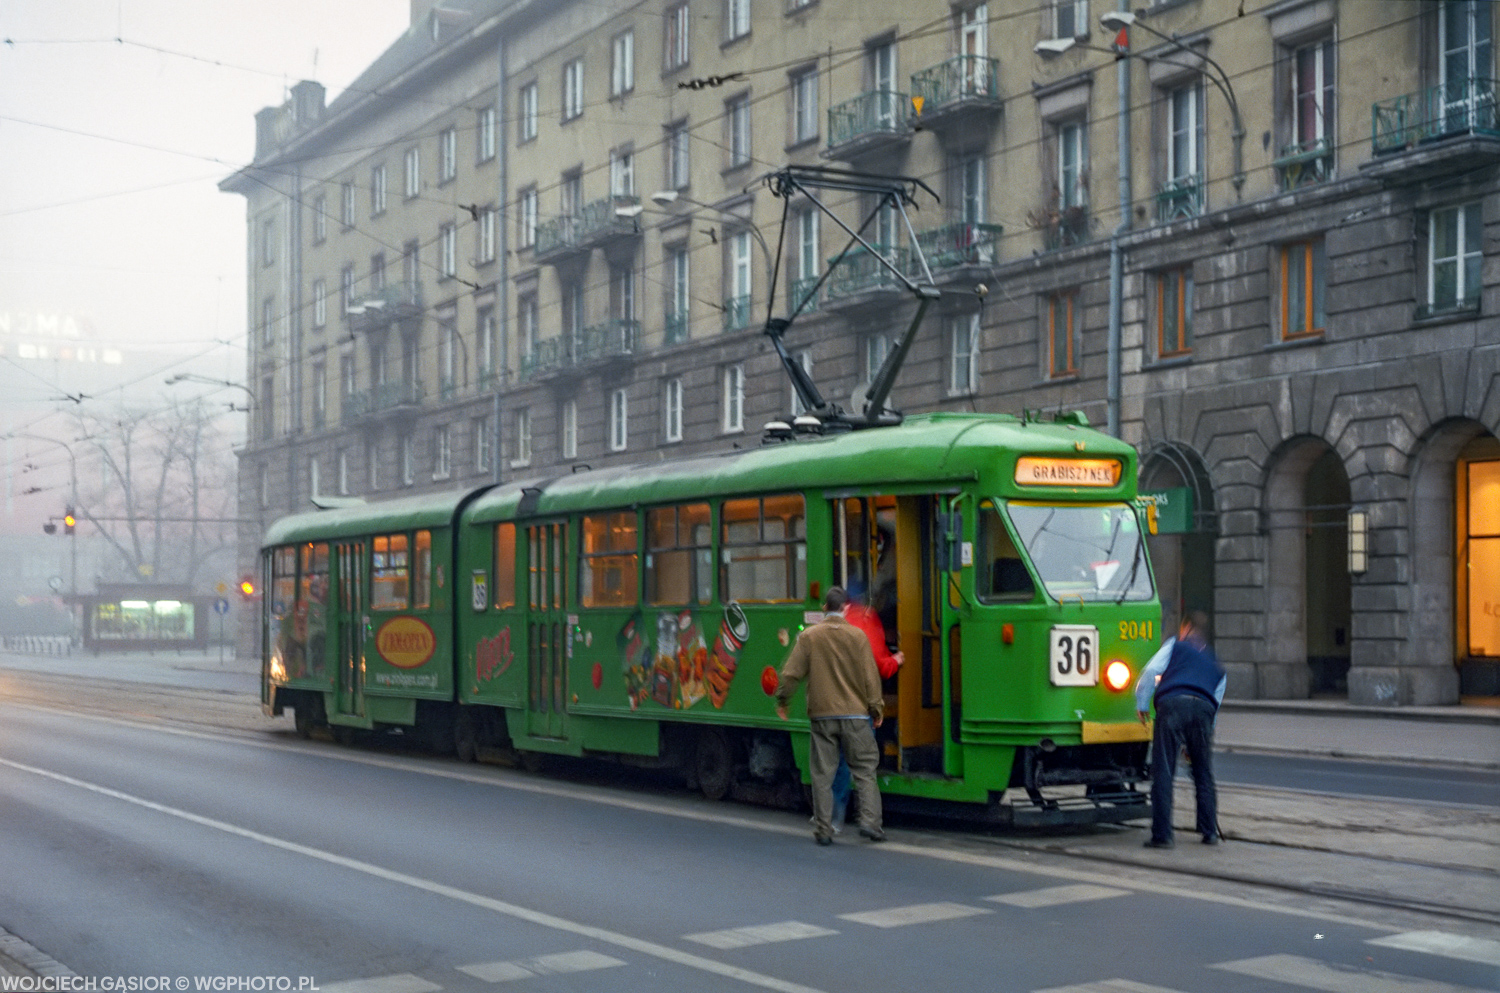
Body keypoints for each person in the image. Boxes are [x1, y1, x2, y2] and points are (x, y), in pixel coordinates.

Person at [775, 586, 886, 845]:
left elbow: (791, 674)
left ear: (824, 608)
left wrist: (783, 700)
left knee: (822, 774)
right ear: (844, 609)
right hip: (857, 717)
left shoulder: (810, 637)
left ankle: (824, 830)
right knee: (865, 770)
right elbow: (871, 678)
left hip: (823, 717)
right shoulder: (858, 637)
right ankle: (870, 824)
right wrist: (876, 709)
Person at [1135, 610, 1227, 848]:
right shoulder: (1216, 666)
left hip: (1173, 705)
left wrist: (1142, 703)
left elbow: (1150, 672)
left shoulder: (1175, 646)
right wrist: (1200, 738)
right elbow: (1214, 706)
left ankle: (1163, 835)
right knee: (1203, 772)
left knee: (1163, 770)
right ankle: (1210, 833)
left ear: (1185, 628)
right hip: (1204, 712)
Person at [826, 596, 903, 830]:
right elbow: (879, 669)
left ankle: (834, 819)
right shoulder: (867, 623)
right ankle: (868, 822)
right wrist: (897, 660)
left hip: (834, 708)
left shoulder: (823, 631)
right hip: (860, 709)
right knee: (864, 766)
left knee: (839, 763)